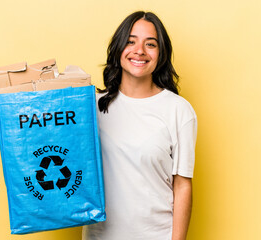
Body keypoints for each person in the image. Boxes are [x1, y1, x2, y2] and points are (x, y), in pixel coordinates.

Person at [83, 11, 197, 240]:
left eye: (151, 44)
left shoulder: (179, 110)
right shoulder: (90, 108)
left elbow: (182, 186)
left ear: (161, 53)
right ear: (118, 48)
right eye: (131, 41)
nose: (140, 51)